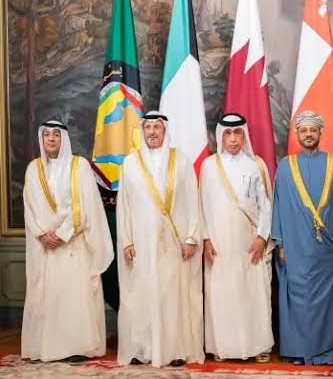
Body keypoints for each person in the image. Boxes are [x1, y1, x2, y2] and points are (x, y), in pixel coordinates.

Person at [116, 111, 204, 367]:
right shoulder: (130, 163)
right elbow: (124, 206)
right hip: (141, 244)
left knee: (171, 297)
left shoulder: (181, 161)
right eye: (148, 127)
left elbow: (193, 201)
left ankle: (174, 350)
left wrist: (191, 237)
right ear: (143, 131)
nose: (152, 132)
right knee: (141, 295)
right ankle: (142, 349)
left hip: (173, 244)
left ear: (165, 131)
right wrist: (127, 240)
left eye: (157, 127)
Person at [21, 120, 114, 363]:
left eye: (56, 134)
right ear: (41, 139)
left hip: (73, 243)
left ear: (64, 138)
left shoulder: (79, 166)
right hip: (44, 246)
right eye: (47, 135)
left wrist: (62, 234)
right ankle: (45, 348)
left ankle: (77, 347)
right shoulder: (33, 169)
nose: (51, 139)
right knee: (47, 297)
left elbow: (85, 206)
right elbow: (29, 207)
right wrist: (42, 234)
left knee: (74, 298)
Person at [272, 110, 333, 365]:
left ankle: (328, 351)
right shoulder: (285, 166)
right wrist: (280, 244)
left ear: (321, 132)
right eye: (304, 130)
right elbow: (278, 206)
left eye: (313, 130)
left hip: (326, 246)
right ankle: (300, 351)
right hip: (295, 245)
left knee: (327, 300)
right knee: (300, 299)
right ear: (297, 134)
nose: (308, 134)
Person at [201, 113, 274, 362]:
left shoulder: (257, 165)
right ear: (221, 136)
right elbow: (202, 204)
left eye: (237, 133)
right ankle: (223, 347)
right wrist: (206, 239)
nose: (233, 139)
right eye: (228, 133)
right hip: (219, 243)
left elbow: (266, 205)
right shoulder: (209, 166)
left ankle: (258, 346)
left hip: (249, 243)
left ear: (244, 135)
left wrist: (262, 237)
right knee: (222, 294)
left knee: (253, 293)